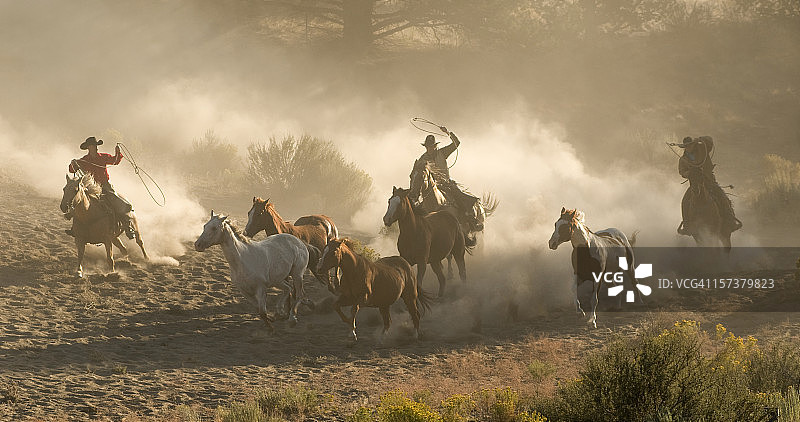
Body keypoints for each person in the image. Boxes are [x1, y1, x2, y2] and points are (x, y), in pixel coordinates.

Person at [67, 137, 136, 239]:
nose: (94, 147)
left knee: (117, 202)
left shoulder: (103, 157)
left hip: (105, 185)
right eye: (92, 146)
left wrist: (117, 152)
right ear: (88, 148)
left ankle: (127, 225)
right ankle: (75, 228)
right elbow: (72, 170)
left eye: (95, 146)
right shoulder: (84, 160)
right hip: (92, 187)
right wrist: (73, 164)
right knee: (79, 202)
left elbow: (115, 161)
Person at [677, 136, 741, 235]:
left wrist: (700, 139)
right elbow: (682, 171)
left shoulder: (702, 150)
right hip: (694, 183)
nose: (689, 147)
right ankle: (687, 226)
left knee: (722, 197)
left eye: (690, 145)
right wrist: (689, 174)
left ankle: (730, 220)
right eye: (687, 146)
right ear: (684, 147)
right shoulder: (683, 160)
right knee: (685, 201)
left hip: (709, 181)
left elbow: (710, 141)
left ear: (693, 144)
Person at [414, 127, 478, 215]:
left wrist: (448, 132)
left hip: (446, 184)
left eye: (431, 146)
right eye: (428, 147)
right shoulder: (423, 159)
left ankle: (469, 218)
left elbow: (456, 143)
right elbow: (417, 173)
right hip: (430, 187)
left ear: (435, 146)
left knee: (460, 199)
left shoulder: (442, 152)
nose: (429, 149)